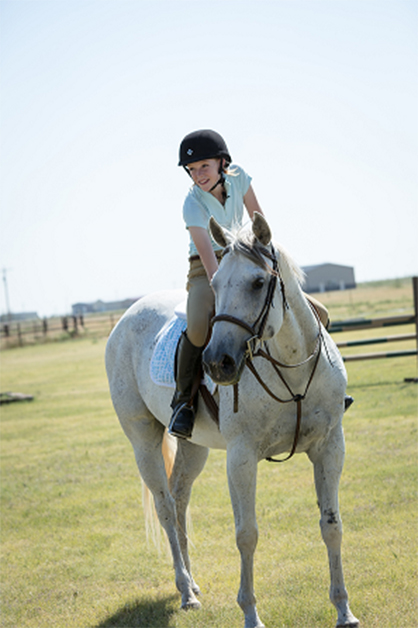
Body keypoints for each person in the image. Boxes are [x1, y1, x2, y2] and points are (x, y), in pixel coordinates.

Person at [168, 130, 345, 441]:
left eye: (204, 166)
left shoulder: (240, 179)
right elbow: (210, 259)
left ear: (223, 163)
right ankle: (183, 402)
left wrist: (270, 266)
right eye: (192, 170)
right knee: (197, 327)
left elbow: (261, 226)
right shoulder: (192, 204)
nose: (198, 175)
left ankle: (326, 392)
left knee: (319, 313)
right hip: (208, 268)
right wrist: (223, 288)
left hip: (251, 258)